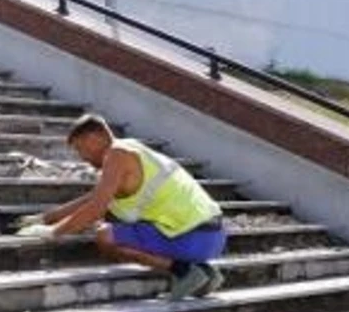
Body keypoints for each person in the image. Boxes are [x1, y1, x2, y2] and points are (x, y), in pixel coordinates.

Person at [18, 114, 227, 299]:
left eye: (81, 149)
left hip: (191, 236)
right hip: (212, 235)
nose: (82, 158)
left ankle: (183, 271)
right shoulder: (131, 148)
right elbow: (94, 197)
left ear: (94, 138)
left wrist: (52, 232)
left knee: (105, 236)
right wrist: (46, 218)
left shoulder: (116, 155)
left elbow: (95, 208)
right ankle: (204, 272)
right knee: (113, 227)